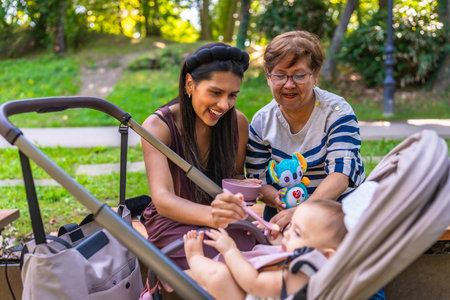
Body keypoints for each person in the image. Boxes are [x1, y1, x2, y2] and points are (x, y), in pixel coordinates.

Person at [140, 42, 257, 272]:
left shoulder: (238, 123)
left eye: (232, 95)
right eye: (215, 92)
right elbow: (163, 199)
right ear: (190, 84)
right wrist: (211, 216)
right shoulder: (157, 127)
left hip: (221, 220)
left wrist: (244, 197)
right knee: (219, 267)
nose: (224, 105)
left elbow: (234, 177)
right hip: (174, 222)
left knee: (255, 255)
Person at [245, 30, 365, 231]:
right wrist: (280, 201)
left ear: (315, 75)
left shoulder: (337, 113)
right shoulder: (261, 122)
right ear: (268, 75)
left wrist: (302, 211)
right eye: (280, 76)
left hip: (337, 206)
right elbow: (258, 179)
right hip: (282, 209)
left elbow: (340, 175)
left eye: (299, 75)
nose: (289, 85)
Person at [184, 199, 347, 300]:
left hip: (249, 291)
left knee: (218, 275)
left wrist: (230, 250)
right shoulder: (323, 268)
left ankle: (195, 258)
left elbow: (253, 284)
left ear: (326, 255)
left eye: (297, 233)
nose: (287, 233)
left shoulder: (304, 274)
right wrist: (277, 241)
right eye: (290, 226)